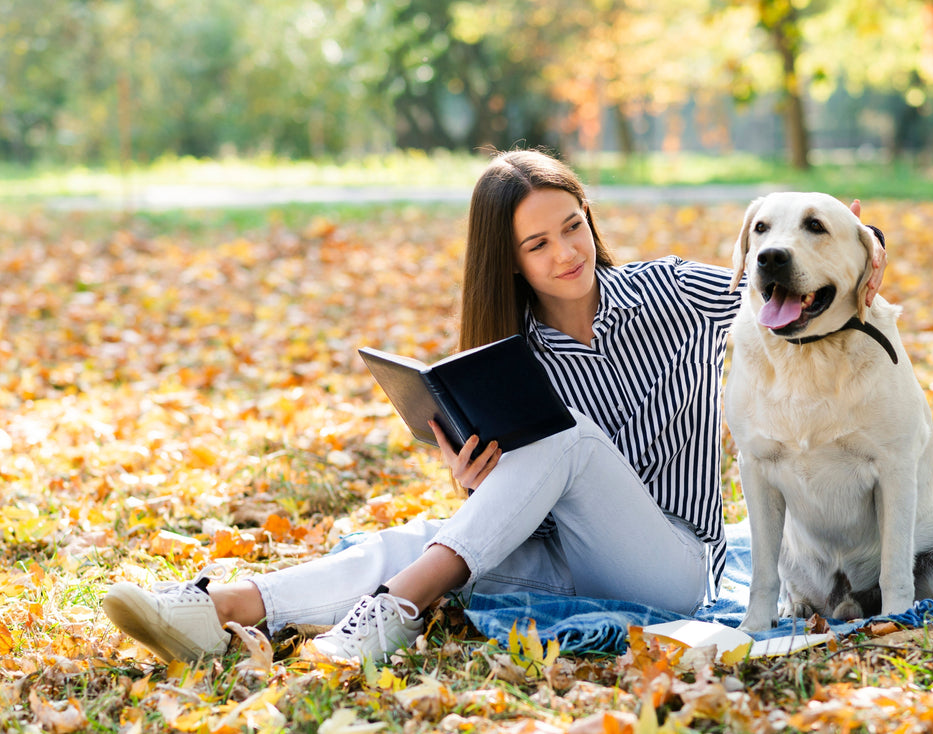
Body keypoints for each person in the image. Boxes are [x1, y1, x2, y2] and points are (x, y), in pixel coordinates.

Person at [103, 149, 886, 664]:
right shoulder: (513, 357)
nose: (567, 253)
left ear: (589, 219)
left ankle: (394, 614)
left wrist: (857, 242)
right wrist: (477, 485)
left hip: (674, 565)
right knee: (423, 535)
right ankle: (226, 609)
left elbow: (788, 296)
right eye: (538, 245)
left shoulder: (673, 291)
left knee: (569, 441)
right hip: (565, 558)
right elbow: (533, 499)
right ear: (508, 262)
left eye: (572, 227)